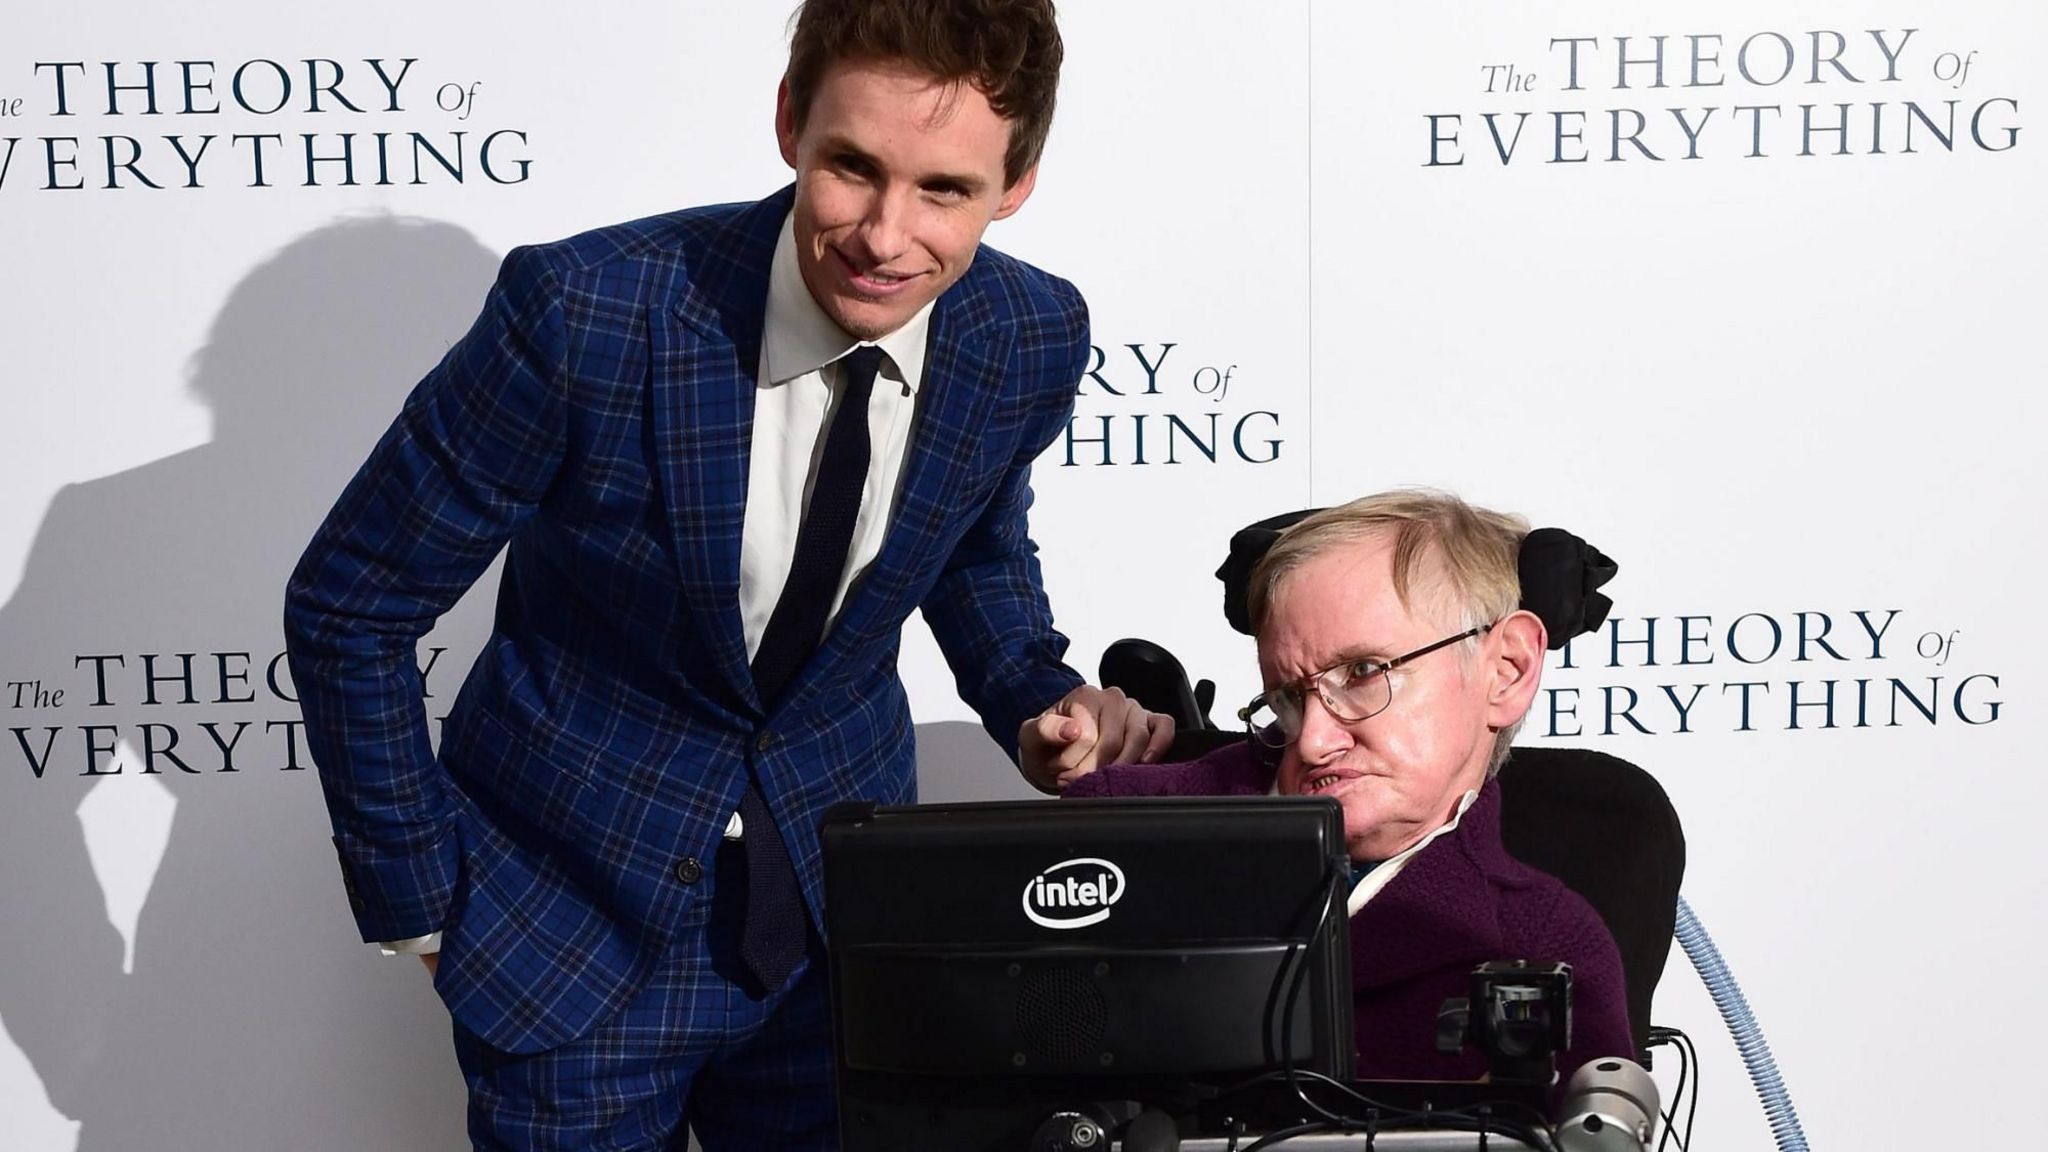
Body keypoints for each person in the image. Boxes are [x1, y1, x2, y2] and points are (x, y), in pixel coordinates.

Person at [283, 3, 1172, 1148]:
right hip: (566, 941)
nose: (885, 237)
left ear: (1017, 184)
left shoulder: (1028, 330)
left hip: (837, 934)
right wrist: (424, 903)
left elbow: (969, 540)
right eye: (852, 167)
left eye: (944, 190)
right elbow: (353, 604)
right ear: (790, 121)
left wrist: (1030, 695)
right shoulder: (589, 314)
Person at [1065, 490, 1632, 1086]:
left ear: (1506, 669)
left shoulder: (1547, 942)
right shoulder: (1115, 830)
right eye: (1288, 697)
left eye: (1363, 673)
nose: (1311, 742)